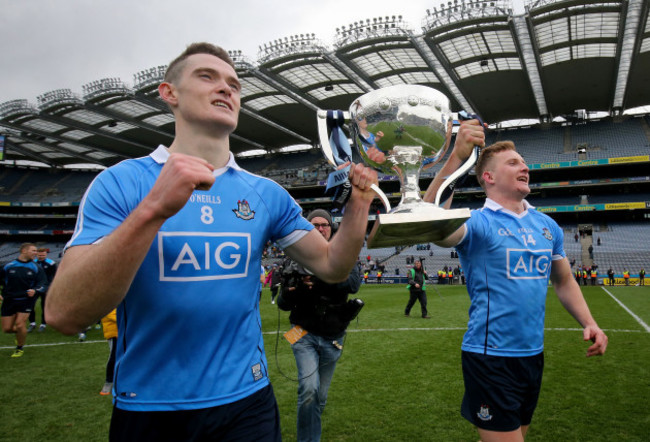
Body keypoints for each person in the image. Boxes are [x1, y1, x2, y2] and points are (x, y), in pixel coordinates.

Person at [45, 42, 377, 442]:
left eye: (234, 84)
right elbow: (64, 314)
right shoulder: (121, 183)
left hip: (247, 401)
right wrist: (152, 210)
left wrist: (359, 204)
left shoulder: (266, 193)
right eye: (207, 77)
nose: (226, 89)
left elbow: (332, 266)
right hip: (150, 405)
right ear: (169, 93)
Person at [423, 121, 608, 442]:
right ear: (489, 178)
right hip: (490, 357)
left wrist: (589, 321)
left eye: (523, 162)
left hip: (532, 355)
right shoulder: (478, 222)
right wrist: (457, 158)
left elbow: (563, 281)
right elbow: (430, 221)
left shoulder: (546, 224)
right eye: (513, 162)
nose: (524, 166)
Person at [277, 209, 362, 442]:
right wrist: (297, 289)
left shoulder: (344, 253)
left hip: (333, 336)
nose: (320, 228)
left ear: (331, 228)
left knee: (320, 396)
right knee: (309, 390)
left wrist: (323, 274)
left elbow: (353, 284)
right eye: (314, 224)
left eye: (324, 224)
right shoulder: (295, 256)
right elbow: (283, 303)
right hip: (301, 334)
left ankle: (309, 430)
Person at [0, 243, 48, 358]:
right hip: (9, 300)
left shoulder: (36, 267)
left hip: (26, 300)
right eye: (33, 250)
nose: (35, 253)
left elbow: (43, 284)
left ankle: (19, 348)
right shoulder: (8, 266)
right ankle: (21, 334)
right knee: (7, 329)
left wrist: (35, 291)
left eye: (36, 251)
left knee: (20, 324)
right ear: (24, 251)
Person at [27, 247, 57, 332]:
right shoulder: (32, 263)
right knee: (31, 305)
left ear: (46, 254)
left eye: (43, 255)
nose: (41, 256)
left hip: (46, 288)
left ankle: (43, 324)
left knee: (44, 306)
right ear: (36, 254)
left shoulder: (51, 263)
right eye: (40, 255)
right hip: (34, 287)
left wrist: (51, 286)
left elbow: (55, 275)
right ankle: (32, 323)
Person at [100, 309, 118, 396]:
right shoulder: (110, 302)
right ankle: (108, 382)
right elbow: (112, 315)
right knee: (113, 357)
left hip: (122, 331)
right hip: (113, 333)